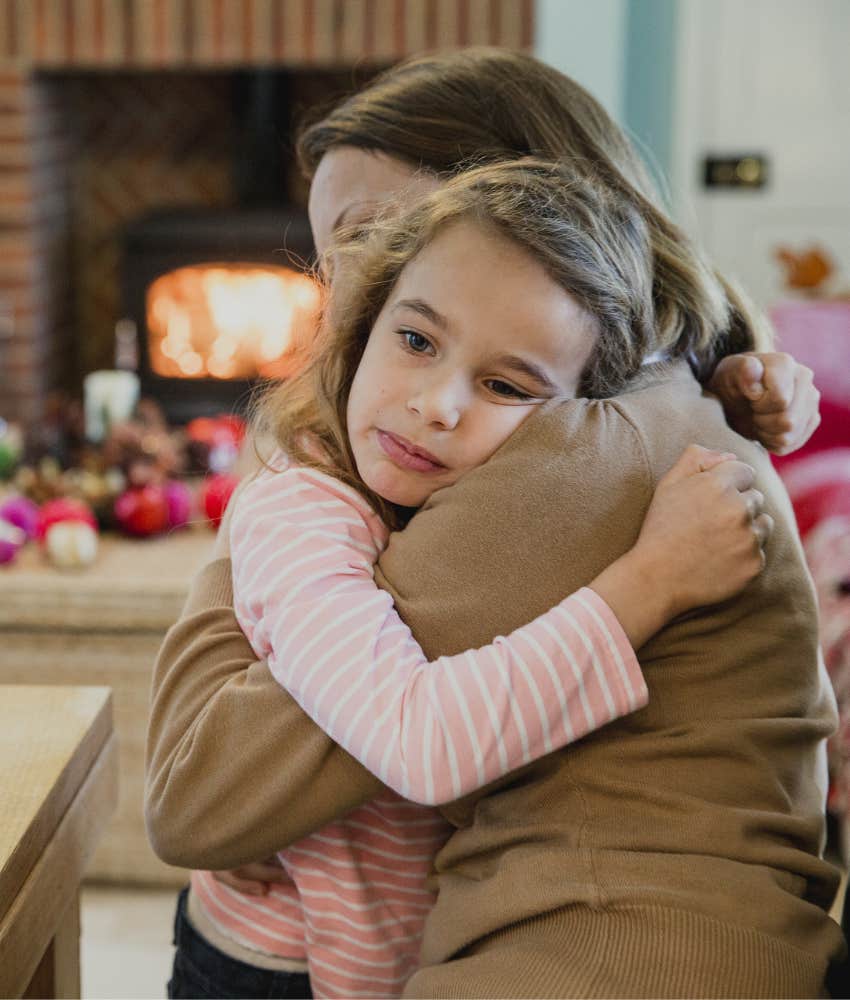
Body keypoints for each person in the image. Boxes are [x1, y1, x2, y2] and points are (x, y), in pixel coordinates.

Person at [146, 50, 838, 999]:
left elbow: (202, 795)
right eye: (327, 250)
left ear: (526, 201)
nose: (343, 289)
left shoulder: (578, 452)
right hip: (293, 941)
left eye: (377, 231)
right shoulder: (631, 406)